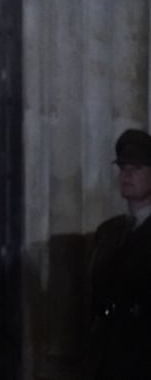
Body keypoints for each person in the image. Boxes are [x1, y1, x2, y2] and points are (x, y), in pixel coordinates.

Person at [85, 128, 151, 380]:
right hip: (106, 355)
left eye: (137, 167)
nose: (127, 174)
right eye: (123, 167)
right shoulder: (109, 231)